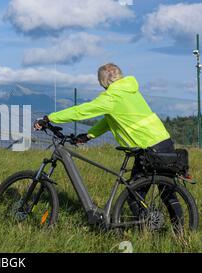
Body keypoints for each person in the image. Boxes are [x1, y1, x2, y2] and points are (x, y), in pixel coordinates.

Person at [34, 63, 182, 221]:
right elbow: (110, 119)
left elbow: (82, 111)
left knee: (133, 196)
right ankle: (179, 231)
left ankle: (147, 228)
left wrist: (49, 118)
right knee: (167, 191)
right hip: (164, 142)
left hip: (148, 148)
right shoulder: (129, 90)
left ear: (104, 81)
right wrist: (89, 136)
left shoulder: (111, 96)